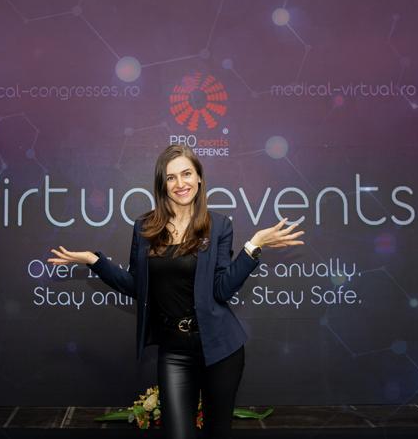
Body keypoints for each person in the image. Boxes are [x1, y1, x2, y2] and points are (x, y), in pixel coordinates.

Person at [47, 143, 304, 439]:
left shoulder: (219, 226)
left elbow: (222, 290)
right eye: (171, 177)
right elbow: (136, 286)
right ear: (162, 184)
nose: (180, 183)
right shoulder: (144, 227)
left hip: (220, 349)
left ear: (199, 178)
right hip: (174, 352)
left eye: (186, 174)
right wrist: (95, 261)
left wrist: (253, 246)